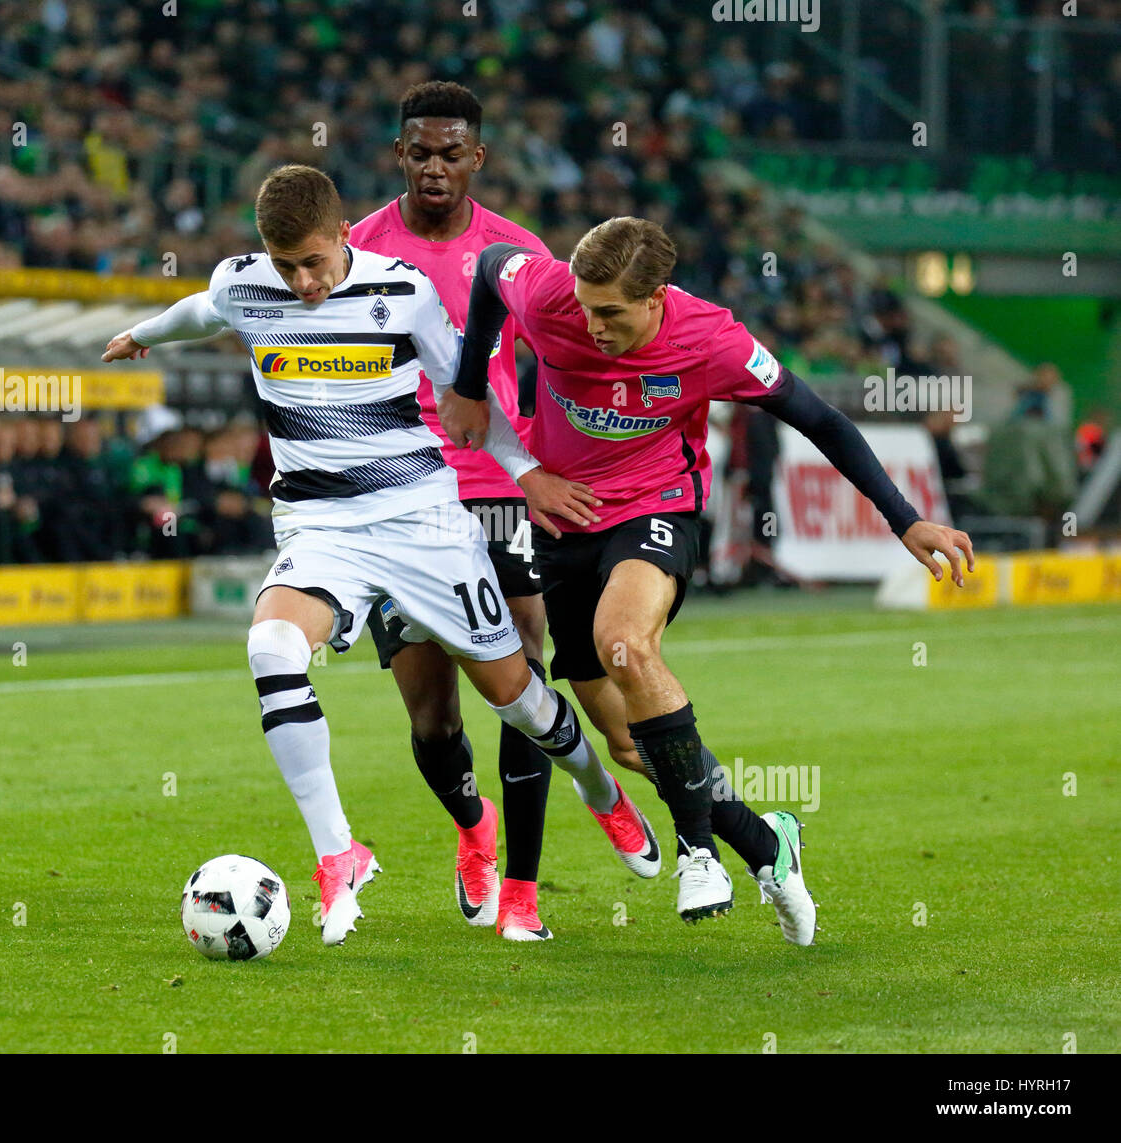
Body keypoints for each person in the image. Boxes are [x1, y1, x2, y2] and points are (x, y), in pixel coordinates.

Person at [102, 165, 659, 947]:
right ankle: (340, 855)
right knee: (269, 645)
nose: (302, 282)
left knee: (519, 699)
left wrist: (528, 474)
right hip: (321, 528)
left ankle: (603, 792)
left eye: (315, 263)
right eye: (285, 264)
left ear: (342, 237)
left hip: (423, 522)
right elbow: (202, 308)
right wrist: (143, 335)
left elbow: (469, 403)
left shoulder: (402, 291)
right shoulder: (246, 285)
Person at [440, 218, 975, 944]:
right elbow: (490, 268)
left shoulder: (713, 340)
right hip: (566, 517)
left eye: (612, 314)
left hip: (658, 504)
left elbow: (821, 419)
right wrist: (470, 386)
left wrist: (904, 518)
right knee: (629, 743)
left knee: (624, 642)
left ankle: (700, 854)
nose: (591, 326)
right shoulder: (548, 295)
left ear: (657, 297)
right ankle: (766, 843)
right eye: (585, 306)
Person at [347, 81, 570, 940]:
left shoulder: (519, 254)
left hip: (497, 492)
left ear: (477, 158)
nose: (434, 166)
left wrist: (552, 468)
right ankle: (471, 825)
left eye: (452, 152)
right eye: (419, 151)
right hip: (398, 497)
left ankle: (522, 887)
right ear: (399, 154)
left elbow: (554, 369)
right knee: (433, 714)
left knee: (526, 677)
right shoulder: (355, 247)